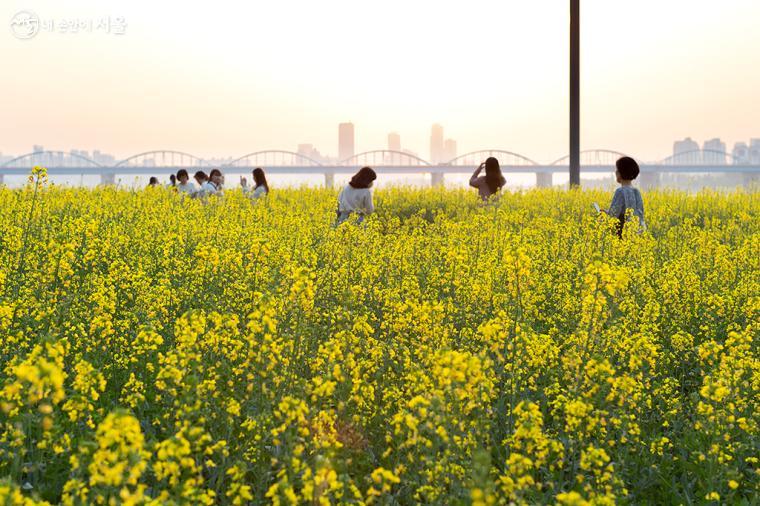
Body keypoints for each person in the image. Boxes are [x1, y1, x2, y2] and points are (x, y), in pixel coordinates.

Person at [600, 156, 646, 237]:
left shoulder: (620, 192)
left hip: (622, 235)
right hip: (636, 234)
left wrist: (603, 215)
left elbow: (613, 215)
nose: (615, 172)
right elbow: (640, 213)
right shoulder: (636, 191)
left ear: (621, 173)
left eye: (617, 170)